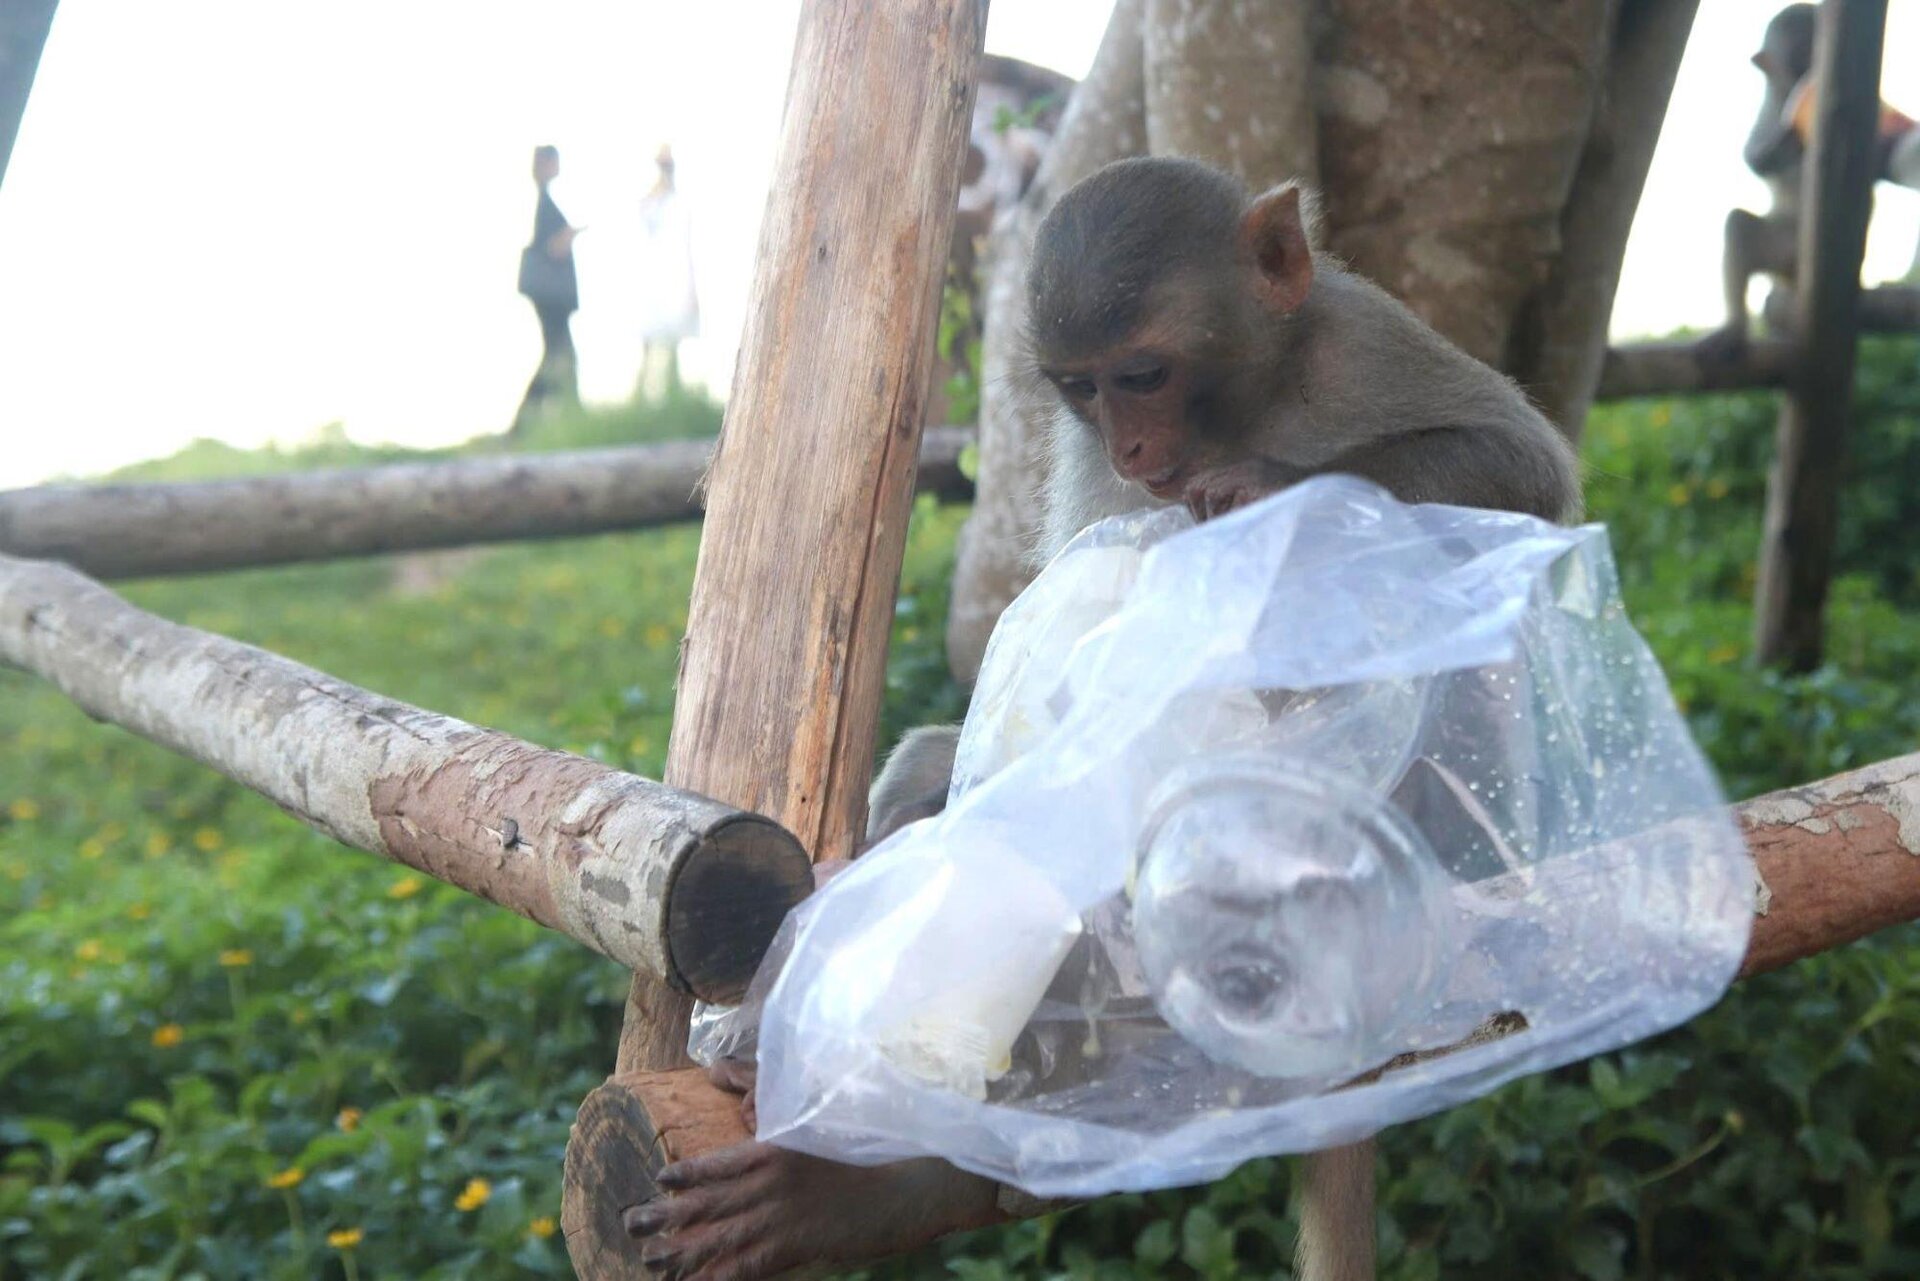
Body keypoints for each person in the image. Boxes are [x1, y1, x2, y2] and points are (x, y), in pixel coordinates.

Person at [512, 145, 582, 433]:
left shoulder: (545, 201)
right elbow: (550, 247)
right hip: (550, 297)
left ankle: (530, 423)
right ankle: (528, 424)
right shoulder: (543, 204)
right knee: (560, 356)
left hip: (551, 298)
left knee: (557, 356)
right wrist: (567, 236)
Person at [635, 144, 699, 397]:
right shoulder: (651, 201)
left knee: (675, 339)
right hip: (654, 277)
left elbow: (687, 244)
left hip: (676, 276)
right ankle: (642, 398)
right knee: (649, 341)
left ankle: (674, 396)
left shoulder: (680, 202)